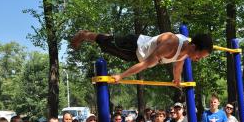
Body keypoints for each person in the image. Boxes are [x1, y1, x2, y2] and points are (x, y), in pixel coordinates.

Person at [71, 31, 213, 84]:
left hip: (137, 56)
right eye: (200, 56)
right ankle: (84, 34)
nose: (198, 59)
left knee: (108, 42)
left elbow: (178, 64)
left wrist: (177, 79)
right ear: (194, 47)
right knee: (104, 42)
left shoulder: (186, 52)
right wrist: (122, 75)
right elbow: (145, 64)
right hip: (134, 46)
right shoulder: (171, 44)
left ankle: (110, 36)